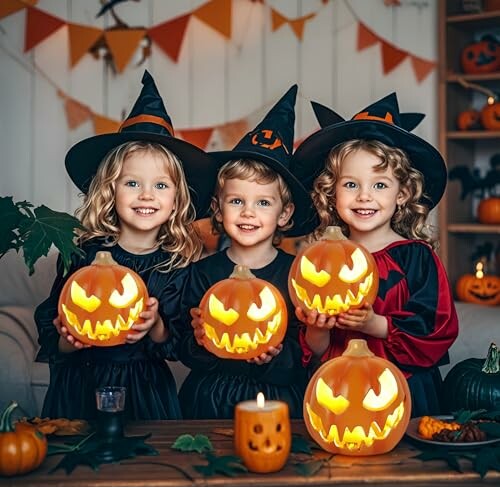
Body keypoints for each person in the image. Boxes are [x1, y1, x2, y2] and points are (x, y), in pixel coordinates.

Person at [35, 70, 218, 420]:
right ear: (109, 190)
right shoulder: (80, 255)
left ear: (178, 200)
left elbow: (181, 344)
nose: (147, 195)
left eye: (161, 186)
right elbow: (51, 327)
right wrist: (66, 340)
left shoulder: (177, 266)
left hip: (143, 390)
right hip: (79, 385)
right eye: (132, 182)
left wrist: (157, 326)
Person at [291, 93, 459, 417]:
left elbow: (437, 332)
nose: (364, 196)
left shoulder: (417, 258)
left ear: (403, 194)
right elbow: (317, 350)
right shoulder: (319, 264)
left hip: (406, 391)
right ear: (331, 192)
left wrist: (375, 324)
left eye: (380, 185)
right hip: (340, 393)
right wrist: (317, 328)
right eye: (351, 184)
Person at [174, 85, 319, 419]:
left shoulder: (300, 275)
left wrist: (277, 357)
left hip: (276, 398)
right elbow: (182, 347)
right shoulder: (201, 273)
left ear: (284, 214)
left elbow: (306, 350)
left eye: (263, 202)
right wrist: (199, 341)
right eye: (237, 201)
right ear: (218, 210)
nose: (248, 212)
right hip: (210, 398)